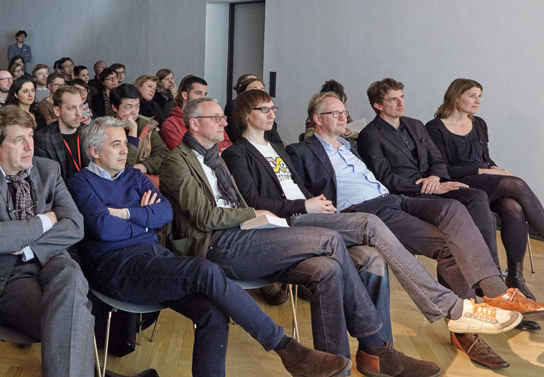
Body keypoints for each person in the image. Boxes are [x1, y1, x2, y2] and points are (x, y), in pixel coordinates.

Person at [221, 89, 522, 361]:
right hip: (321, 217)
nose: (273, 113)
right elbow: (255, 200)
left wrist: (314, 203)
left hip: (378, 201)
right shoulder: (253, 152)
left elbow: (302, 189)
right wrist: (309, 205)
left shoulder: (284, 150)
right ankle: (454, 309)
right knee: (371, 224)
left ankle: (385, 350)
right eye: (266, 109)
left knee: (449, 222)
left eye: (274, 108)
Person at [159, 97, 440, 376]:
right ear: (194, 124)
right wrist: (255, 214)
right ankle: (376, 347)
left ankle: (336, 366)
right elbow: (206, 218)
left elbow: (245, 204)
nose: (224, 122)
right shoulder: (177, 161)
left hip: (247, 234)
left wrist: (258, 217)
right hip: (215, 244)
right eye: (216, 118)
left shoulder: (216, 158)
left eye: (223, 116)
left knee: (327, 269)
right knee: (332, 240)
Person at [68, 117, 354, 377]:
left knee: (213, 313)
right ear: (94, 152)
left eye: (124, 143)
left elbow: (164, 213)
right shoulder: (80, 183)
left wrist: (125, 214)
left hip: (155, 258)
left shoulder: (136, 177)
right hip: (116, 267)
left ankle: (287, 352)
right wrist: (144, 220)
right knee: (203, 269)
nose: (124, 150)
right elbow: (103, 229)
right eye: (115, 144)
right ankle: (286, 347)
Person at [0, 106, 95, 377]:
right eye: (19, 140)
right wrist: (47, 219)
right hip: (3, 273)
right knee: (74, 317)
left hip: (49, 259)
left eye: (30, 136)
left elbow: (76, 225)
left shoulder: (47, 169)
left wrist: (29, 246)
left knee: (71, 275)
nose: (30, 146)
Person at [357, 78, 499, 271]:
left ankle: (490, 268)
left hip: (434, 185)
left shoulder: (415, 125)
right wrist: (426, 186)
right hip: (408, 194)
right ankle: (481, 270)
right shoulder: (370, 135)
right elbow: (385, 178)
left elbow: (437, 160)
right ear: (378, 105)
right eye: (393, 100)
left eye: (402, 97)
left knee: (477, 196)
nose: (401, 103)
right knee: (457, 207)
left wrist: (434, 178)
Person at [427, 78, 544, 301]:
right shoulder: (434, 128)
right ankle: (499, 281)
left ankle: (515, 279)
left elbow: (484, 158)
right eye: (472, 95)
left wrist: (494, 168)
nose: (477, 101)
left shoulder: (479, 123)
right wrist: (484, 172)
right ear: (456, 96)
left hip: (484, 181)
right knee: (516, 184)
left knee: (513, 207)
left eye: (480, 96)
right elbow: (444, 168)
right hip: (460, 184)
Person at [159, 75, 232, 152]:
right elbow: (185, 153)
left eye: (205, 94)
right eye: (198, 93)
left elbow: (227, 144)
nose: (203, 98)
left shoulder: (209, 117)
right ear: (185, 95)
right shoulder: (171, 124)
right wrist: (211, 145)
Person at [110, 83, 168, 175]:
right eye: (128, 107)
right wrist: (133, 130)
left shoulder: (146, 124)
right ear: (114, 107)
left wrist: (141, 167)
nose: (134, 112)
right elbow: (122, 166)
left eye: (137, 106)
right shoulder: (106, 128)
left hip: (142, 176)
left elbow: (163, 154)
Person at [34, 86, 89, 179]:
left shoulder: (88, 132)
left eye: (80, 106)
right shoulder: (42, 139)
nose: (78, 113)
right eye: (72, 108)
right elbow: (48, 179)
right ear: (57, 111)